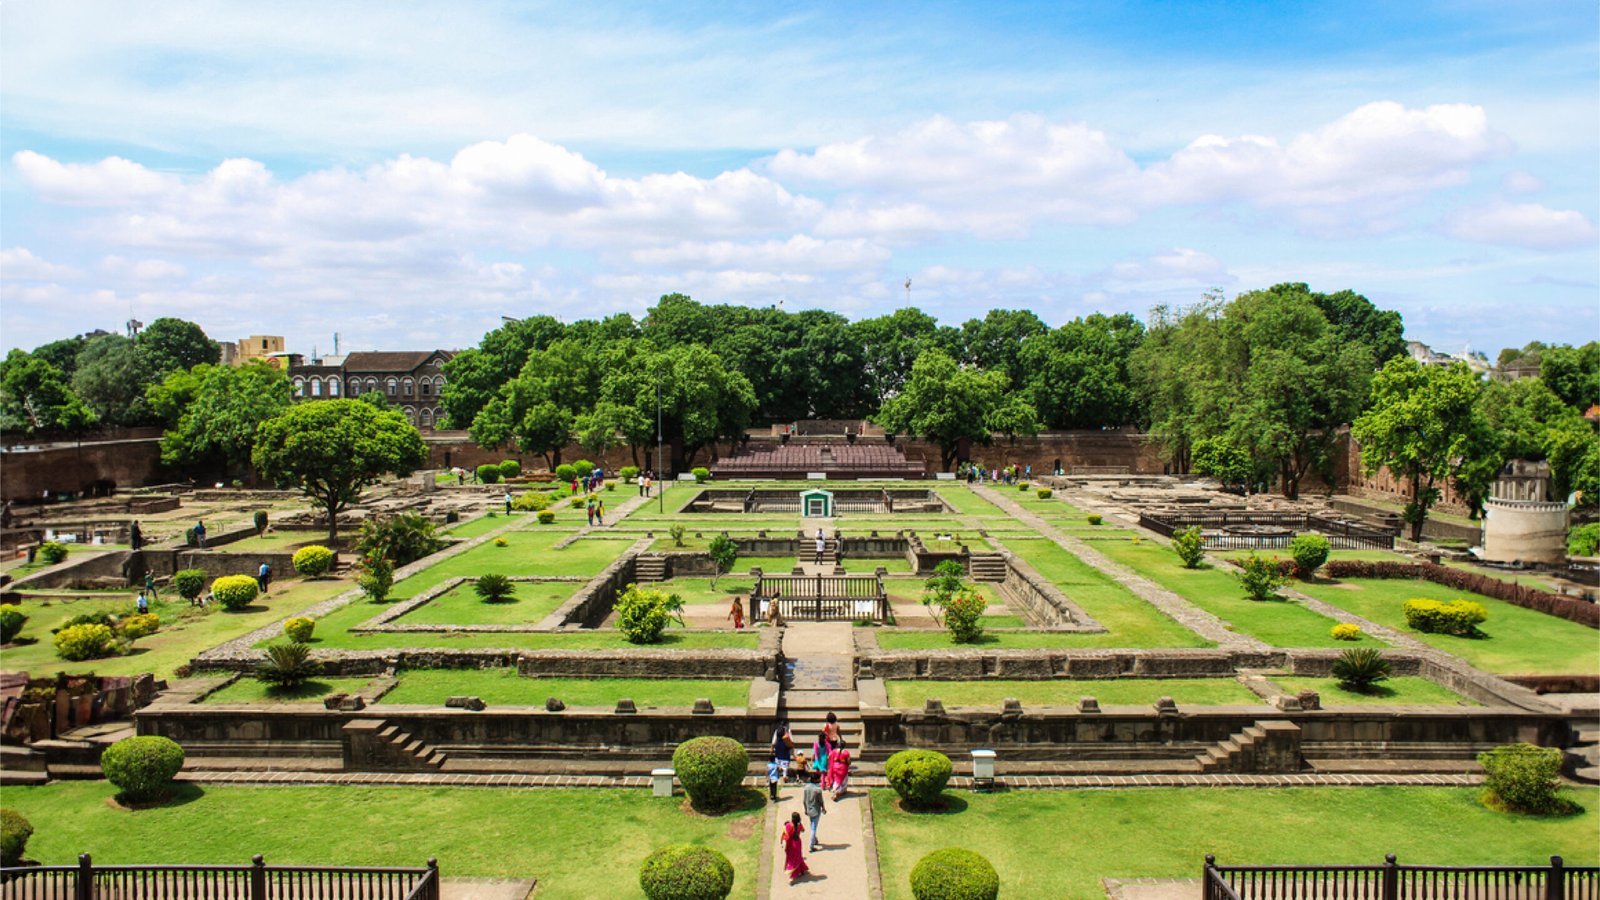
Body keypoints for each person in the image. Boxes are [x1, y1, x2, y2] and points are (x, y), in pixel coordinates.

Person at [781, 812, 808, 883]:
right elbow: (803, 830)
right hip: (798, 843)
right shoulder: (799, 825)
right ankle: (801, 870)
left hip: (791, 844)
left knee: (792, 859)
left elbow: (786, 835)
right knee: (798, 857)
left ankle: (792, 876)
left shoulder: (789, 825)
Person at [803, 770, 826, 852]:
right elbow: (821, 801)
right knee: (813, 827)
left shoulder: (806, 788)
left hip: (809, 809)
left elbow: (804, 800)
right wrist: (823, 808)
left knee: (812, 824)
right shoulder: (818, 790)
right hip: (816, 811)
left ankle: (814, 839)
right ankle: (811, 845)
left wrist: (805, 809)